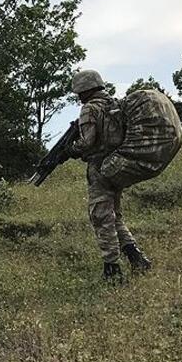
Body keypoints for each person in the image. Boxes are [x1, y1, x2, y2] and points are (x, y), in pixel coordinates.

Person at [69, 69, 152, 282]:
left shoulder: (89, 109)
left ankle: (112, 269)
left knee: (101, 216)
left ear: (85, 90)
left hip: (100, 168)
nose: (78, 97)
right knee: (115, 215)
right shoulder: (114, 105)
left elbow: (88, 142)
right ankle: (136, 257)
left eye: (79, 92)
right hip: (118, 163)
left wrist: (72, 150)